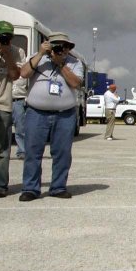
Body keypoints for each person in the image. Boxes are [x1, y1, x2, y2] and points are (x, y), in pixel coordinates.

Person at [17, 32, 84, 201]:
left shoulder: (74, 63)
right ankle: (30, 188)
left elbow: (76, 83)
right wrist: (40, 54)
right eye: (57, 46)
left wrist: (60, 64)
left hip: (65, 114)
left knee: (62, 153)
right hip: (36, 112)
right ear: (48, 45)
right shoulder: (37, 58)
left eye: (66, 46)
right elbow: (23, 74)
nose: (62, 49)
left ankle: (58, 187)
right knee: (32, 152)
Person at [0, 21, 24, 198]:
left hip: (3, 104)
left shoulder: (16, 52)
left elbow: (15, 75)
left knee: (2, 148)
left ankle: (0, 185)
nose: (6, 39)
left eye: (8, 36)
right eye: (2, 36)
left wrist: (6, 54)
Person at [11, 77, 27, 159]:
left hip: (19, 101)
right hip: (3, 100)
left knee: (20, 128)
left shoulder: (24, 67)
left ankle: (22, 151)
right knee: (2, 129)